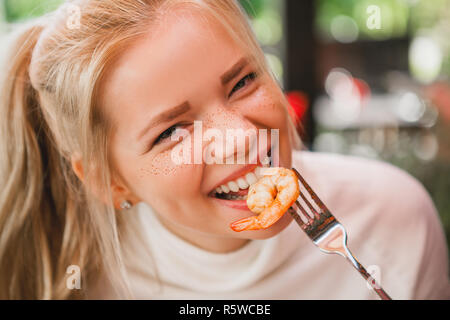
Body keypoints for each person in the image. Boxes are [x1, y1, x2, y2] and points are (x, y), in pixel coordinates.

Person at [0, 0, 448, 300]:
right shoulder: (79, 282)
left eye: (243, 82)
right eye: (172, 131)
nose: (240, 138)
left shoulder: (392, 219)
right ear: (107, 180)